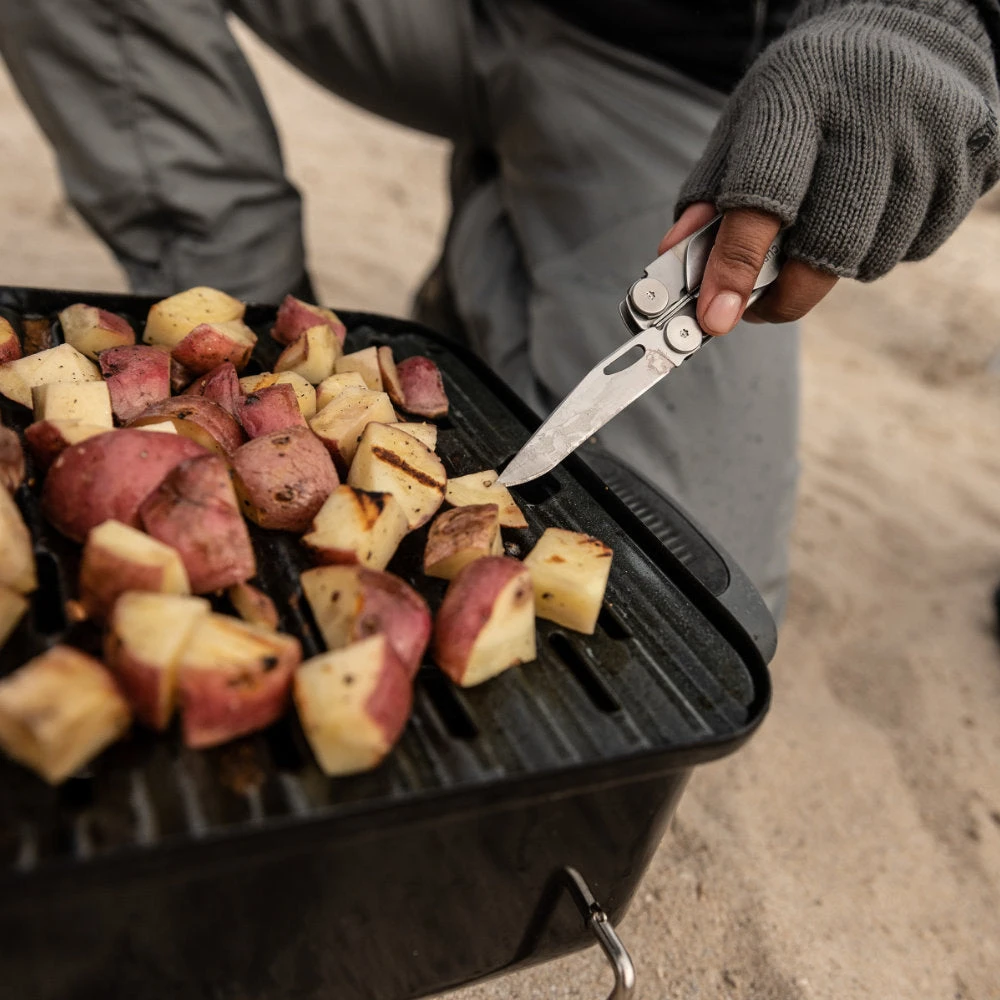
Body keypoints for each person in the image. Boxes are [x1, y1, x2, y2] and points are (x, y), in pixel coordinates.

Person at [1, 0, 998, 619]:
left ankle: (501, 241)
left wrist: (936, 20)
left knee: (695, 596)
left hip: (694, 70)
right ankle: (256, 357)